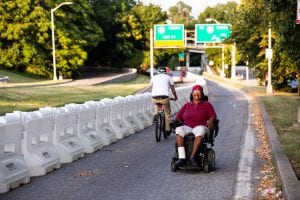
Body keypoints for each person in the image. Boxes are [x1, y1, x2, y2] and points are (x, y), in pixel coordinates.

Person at [174, 85, 217, 167]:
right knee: (179, 130)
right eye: (194, 92)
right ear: (192, 94)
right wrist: (174, 121)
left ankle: (192, 157)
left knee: (200, 130)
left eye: (199, 92)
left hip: (201, 126)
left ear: (202, 94)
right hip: (188, 127)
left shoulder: (207, 104)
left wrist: (211, 120)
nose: (196, 94)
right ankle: (182, 158)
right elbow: (178, 117)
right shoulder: (187, 105)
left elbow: (213, 116)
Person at [150, 67, 178, 137]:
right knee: (167, 113)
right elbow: (173, 89)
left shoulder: (154, 77)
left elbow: (151, 86)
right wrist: (175, 97)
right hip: (164, 98)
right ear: (166, 72)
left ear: (159, 72)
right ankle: (167, 128)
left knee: (156, 104)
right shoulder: (169, 77)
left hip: (155, 97)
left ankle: (156, 114)